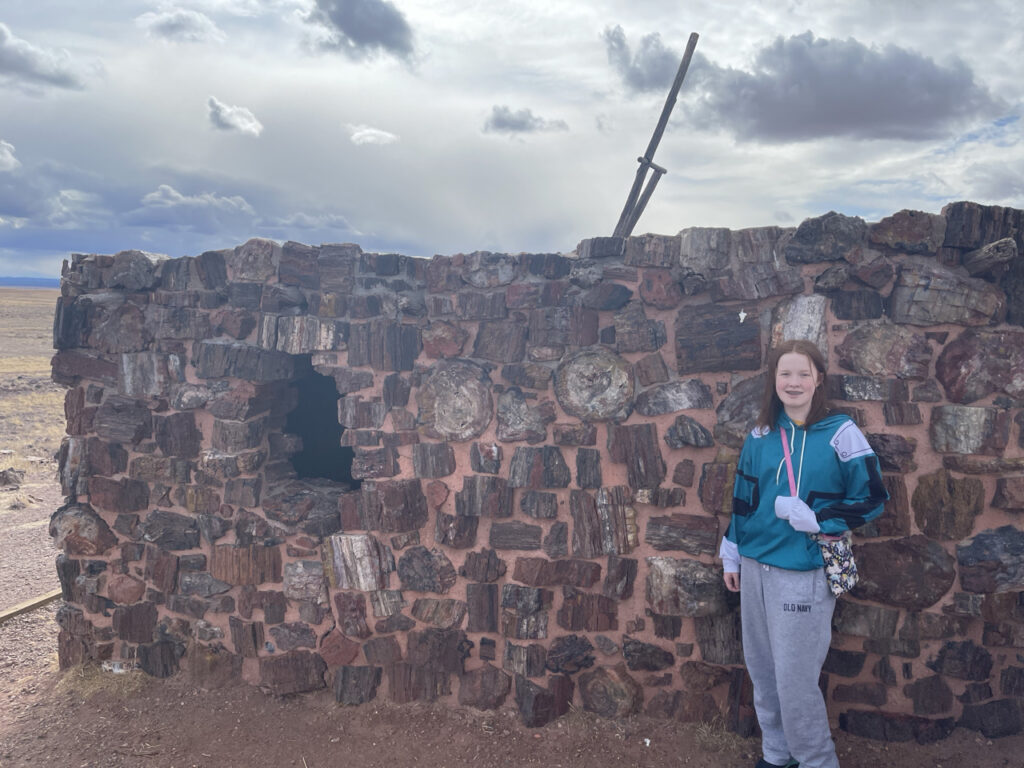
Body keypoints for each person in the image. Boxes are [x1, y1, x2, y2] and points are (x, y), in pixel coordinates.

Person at [718, 339, 888, 768]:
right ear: (773, 381)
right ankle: (777, 755)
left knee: (795, 680)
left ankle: (816, 761)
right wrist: (732, 553)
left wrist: (822, 520)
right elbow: (743, 498)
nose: (793, 382)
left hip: (804, 571)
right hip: (756, 566)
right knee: (763, 671)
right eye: (784, 374)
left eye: (802, 373)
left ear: (818, 379)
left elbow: (873, 496)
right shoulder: (760, 434)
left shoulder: (841, 432)